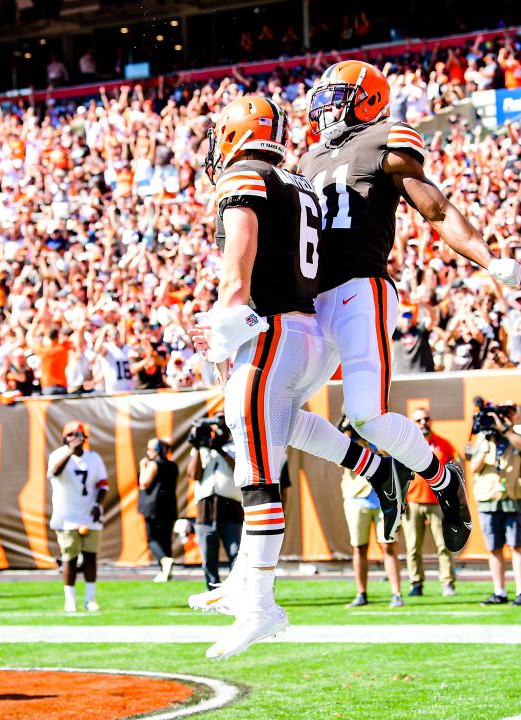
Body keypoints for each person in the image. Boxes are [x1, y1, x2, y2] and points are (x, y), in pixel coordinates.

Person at [293, 60, 521, 556]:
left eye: (337, 96)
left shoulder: (384, 140)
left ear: (368, 99)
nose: (325, 107)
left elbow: (436, 209)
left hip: (360, 289)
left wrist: (488, 258)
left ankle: (443, 479)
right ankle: (377, 470)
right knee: (281, 412)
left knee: (366, 414)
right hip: (312, 301)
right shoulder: (308, 160)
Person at [185, 95, 341, 658]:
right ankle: (249, 583)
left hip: (272, 332)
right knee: (279, 437)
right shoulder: (296, 180)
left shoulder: (245, 176)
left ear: (233, 133)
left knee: (256, 474)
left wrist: (224, 323)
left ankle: (260, 604)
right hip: (307, 331)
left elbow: (238, 270)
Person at [470, 401, 521, 606]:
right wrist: (487, 445)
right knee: (494, 548)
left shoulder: (518, 437)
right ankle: (500, 591)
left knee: (516, 546)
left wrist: (504, 430)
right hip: (489, 498)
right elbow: (473, 468)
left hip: (513, 498)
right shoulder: (483, 439)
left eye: (507, 414)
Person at [48, 421, 109, 611]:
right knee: (70, 558)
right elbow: (54, 473)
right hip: (67, 515)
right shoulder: (58, 455)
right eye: (71, 435)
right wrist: (69, 451)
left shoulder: (94, 458)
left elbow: (103, 484)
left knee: (91, 557)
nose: (75, 438)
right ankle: (70, 599)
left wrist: (97, 504)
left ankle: (90, 598)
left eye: (79, 434)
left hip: (89, 513)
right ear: (65, 438)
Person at [342, 432, 404, 609]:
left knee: (388, 546)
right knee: (359, 547)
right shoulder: (346, 436)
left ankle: (396, 594)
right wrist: (351, 436)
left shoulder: (379, 429)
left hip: (384, 496)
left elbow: (389, 455)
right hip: (356, 498)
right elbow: (342, 461)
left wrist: (371, 437)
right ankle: (361, 594)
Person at [403, 409, 456, 597]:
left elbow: (455, 472)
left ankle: (447, 583)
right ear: (412, 423)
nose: (423, 422)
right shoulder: (405, 445)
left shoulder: (444, 445)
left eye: (426, 419)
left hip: (438, 502)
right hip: (413, 502)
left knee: (443, 545)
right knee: (412, 547)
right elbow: (399, 476)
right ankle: (416, 584)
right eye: (418, 420)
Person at [188, 416, 243, 590]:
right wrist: (198, 446)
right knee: (208, 557)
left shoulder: (236, 447)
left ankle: (236, 591)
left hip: (230, 507)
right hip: (206, 509)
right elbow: (193, 474)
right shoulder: (203, 450)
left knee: (235, 554)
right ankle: (212, 592)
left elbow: (239, 470)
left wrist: (220, 449)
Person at [138, 437, 178, 584]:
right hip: (169, 508)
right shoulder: (173, 465)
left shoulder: (154, 464)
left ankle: (164, 561)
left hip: (153, 508)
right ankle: (165, 572)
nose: (148, 452)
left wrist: (143, 467)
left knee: (153, 539)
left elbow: (143, 483)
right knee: (166, 540)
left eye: (150, 449)